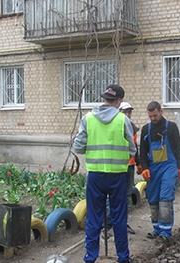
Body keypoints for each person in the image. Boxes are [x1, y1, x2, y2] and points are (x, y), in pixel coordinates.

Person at [73, 84, 136, 263]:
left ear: (104, 98)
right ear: (119, 101)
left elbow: (78, 147)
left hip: (95, 176)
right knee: (119, 218)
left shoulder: (88, 119)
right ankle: (123, 258)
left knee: (94, 218)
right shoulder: (123, 120)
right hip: (117, 177)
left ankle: (90, 257)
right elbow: (132, 150)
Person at [139, 101, 180, 241]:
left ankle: (166, 231)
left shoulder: (171, 127)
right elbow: (143, 151)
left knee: (165, 197)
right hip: (153, 168)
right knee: (152, 198)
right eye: (150, 116)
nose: (153, 118)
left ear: (161, 111)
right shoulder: (146, 129)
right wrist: (144, 167)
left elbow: (178, 147)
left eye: (155, 115)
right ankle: (156, 228)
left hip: (169, 166)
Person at [101, 102, 142, 239]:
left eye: (130, 112)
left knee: (126, 196)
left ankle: (122, 224)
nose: (128, 114)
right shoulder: (115, 126)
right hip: (117, 167)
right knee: (113, 197)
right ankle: (106, 226)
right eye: (125, 112)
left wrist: (138, 163)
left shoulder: (132, 127)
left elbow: (134, 147)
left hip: (129, 167)